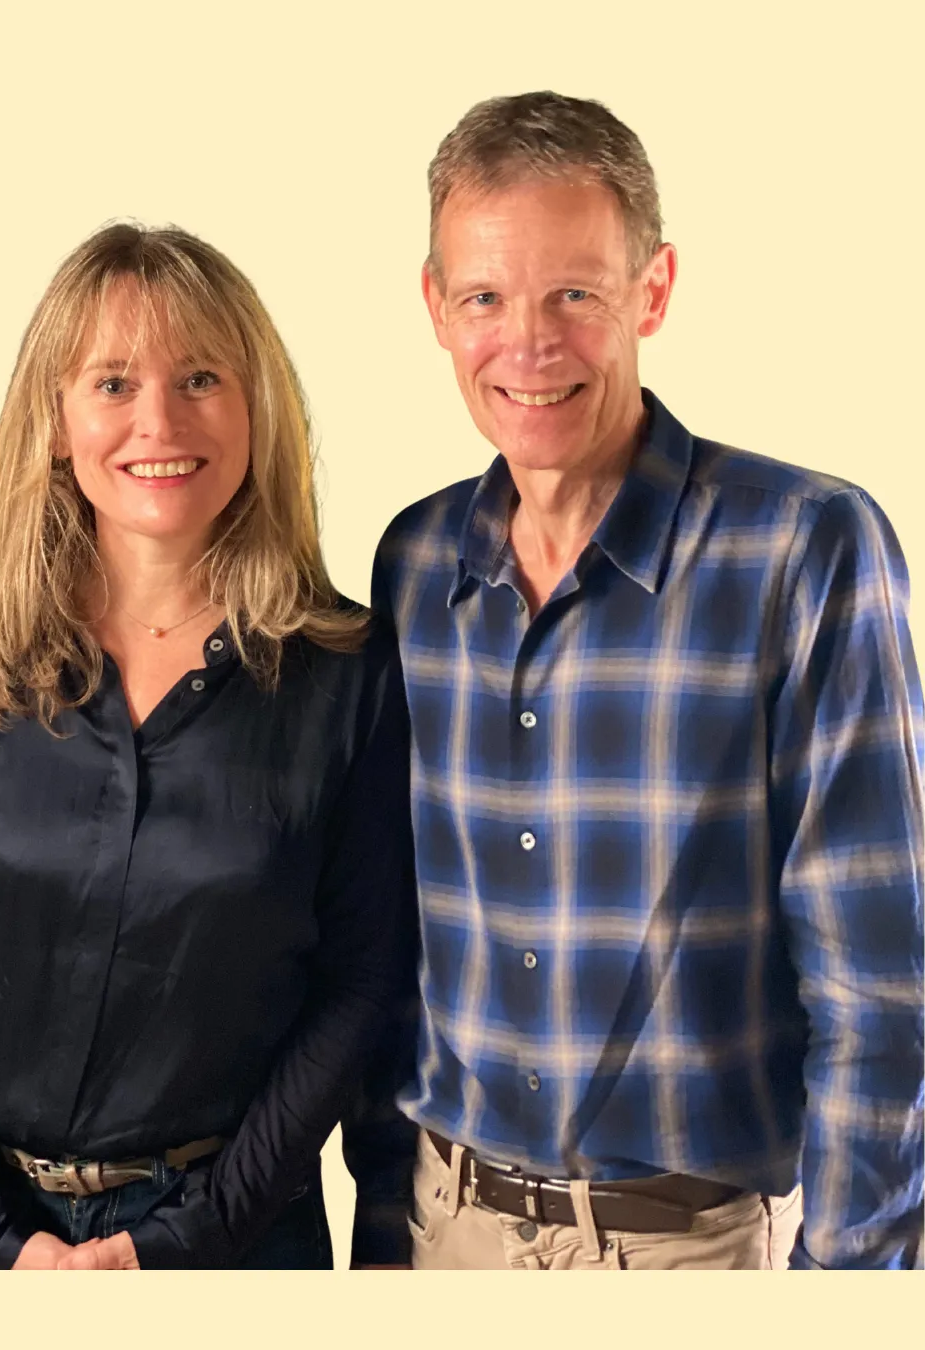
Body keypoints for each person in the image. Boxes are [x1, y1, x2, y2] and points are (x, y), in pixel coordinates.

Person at [372, 91, 924, 1270]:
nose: (528, 344)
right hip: (443, 1230)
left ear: (653, 291)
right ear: (436, 308)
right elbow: (387, 949)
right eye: (485, 298)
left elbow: (884, 987)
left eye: (576, 292)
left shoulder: (804, 548)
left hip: (695, 1254)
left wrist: (861, 1288)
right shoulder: (416, 568)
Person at [0, 222, 417, 1270]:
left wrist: (177, 1241)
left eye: (201, 375)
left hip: (235, 1241)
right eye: (112, 382)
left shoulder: (349, 674)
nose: (158, 420)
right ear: (58, 422)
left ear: (258, 410)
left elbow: (361, 982)